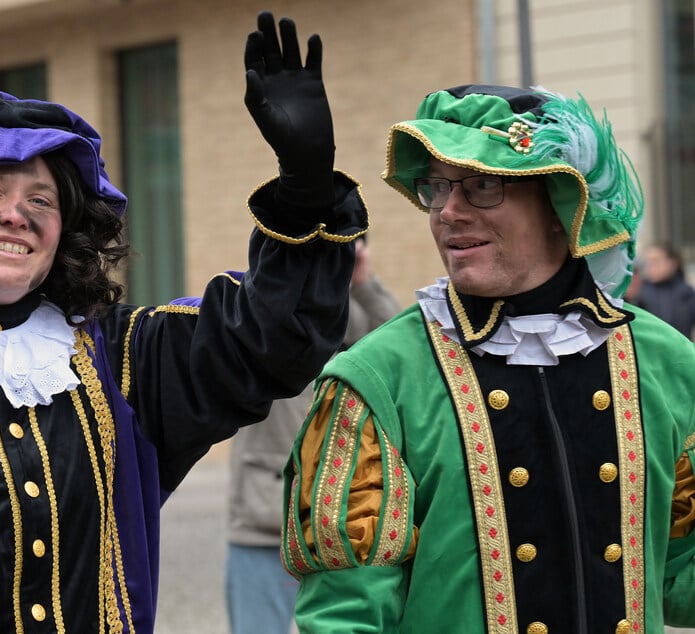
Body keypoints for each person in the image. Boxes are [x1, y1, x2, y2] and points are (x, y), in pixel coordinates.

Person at [0, 11, 367, 633]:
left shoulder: (120, 359)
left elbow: (272, 341)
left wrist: (304, 192)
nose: (16, 215)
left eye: (41, 200)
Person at [282, 85, 695, 633]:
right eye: (437, 187)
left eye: (481, 186)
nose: (449, 212)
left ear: (559, 205)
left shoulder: (667, 362)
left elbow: (682, 579)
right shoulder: (377, 379)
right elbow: (344, 613)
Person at [225, 237, 399, 634]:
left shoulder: (352, 313)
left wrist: (364, 281)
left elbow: (398, 353)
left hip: (338, 527)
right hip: (264, 520)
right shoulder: (263, 310)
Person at [633, 241, 695, 338]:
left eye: (656, 261)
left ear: (673, 263)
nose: (651, 266)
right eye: (648, 262)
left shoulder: (686, 293)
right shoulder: (638, 292)